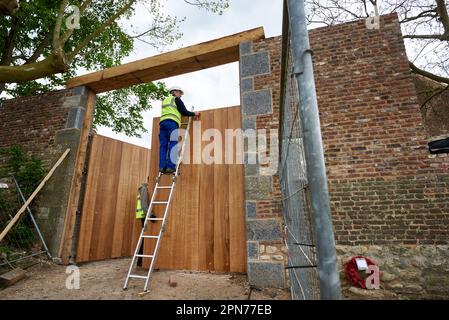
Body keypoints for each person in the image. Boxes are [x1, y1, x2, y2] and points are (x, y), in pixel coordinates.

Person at [159, 86, 199, 174]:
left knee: (163, 146)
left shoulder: (165, 100)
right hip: (172, 123)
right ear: (175, 92)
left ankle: (162, 167)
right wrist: (194, 113)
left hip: (162, 123)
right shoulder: (176, 100)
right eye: (180, 93)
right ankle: (170, 167)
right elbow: (184, 112)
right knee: (173, 144)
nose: (180, 95)